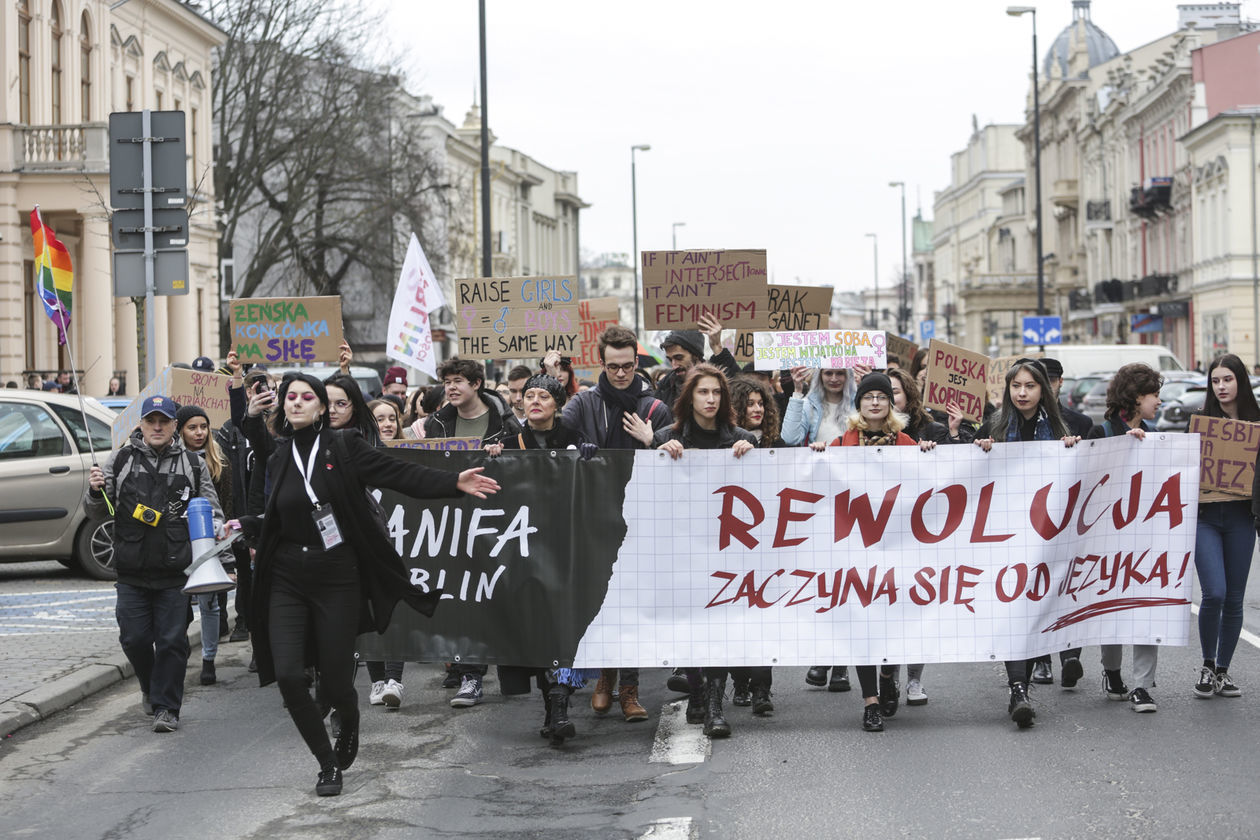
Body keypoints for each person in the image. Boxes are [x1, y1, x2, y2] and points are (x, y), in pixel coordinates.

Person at [237, 372, 499, 796]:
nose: (297, 402)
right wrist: (247, 524)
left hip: (337, 575)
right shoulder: (280, 456)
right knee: (287, 674)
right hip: (288, 576)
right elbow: (283, 515)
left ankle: (350, 713)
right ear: (283, 406)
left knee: (338, 682)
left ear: (322, 407)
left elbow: (398, 473)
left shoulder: (343, 447)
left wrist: (453, 482)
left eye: (307, 397)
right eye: (291, 397)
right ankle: (327, 764)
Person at [85, 395, 224, 733]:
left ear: (174, 425)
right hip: (131, 571)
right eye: (152, 421)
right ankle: (149, 686)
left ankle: (167, 708)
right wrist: (93, 491)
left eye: (164, 421)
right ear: (142, 424)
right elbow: (96, 510)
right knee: (133, 639)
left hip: (176, 573)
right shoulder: (119, 460)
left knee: (173, 643)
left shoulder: (193, 464)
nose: (158, 427)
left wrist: (221, 542)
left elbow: (212, 509)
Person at [810, 373, 937, 732]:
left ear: (891, 403)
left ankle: (887, 675)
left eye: (883, 396)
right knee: (861, 624)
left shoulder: (908, 443)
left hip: (898, 548)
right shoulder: (842, 444)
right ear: (859, 404)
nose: (876, 402)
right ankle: (870, 702)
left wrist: (928, 456)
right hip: (856, 550)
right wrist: (821, 456)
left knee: (893, 621)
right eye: (869, 397)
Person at [485, 374, 605, 743]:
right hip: (524, 550)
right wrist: (492, 461)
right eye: (528, 395)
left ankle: (559, 706)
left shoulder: (576, 441)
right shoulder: (504, 443)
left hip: (567, 551)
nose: (534, 401)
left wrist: (591, 461)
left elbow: (598, 487)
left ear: (557, 404)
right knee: (535, 628)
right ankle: (553, 706)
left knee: (563, 627)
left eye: (544, 396)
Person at [561, 325, 673, 718]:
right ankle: (605, 676)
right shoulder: (586, 402)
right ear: (602, 363)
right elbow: (555, 428)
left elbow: (679, 449)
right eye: (613, 366)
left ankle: (628, 687)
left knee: (634, 602)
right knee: (603, 600)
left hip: (643, 518)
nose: (621, 373)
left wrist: (652, 440)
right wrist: (576, 445)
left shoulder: (655, 406)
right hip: (595, 516)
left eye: (627, 366)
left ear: (637, 363)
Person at [974, 358, 1082, 728]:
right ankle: (1018, 687)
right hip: (1006, 534)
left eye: (1030, 386)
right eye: (1016, 386)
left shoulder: (1059, 427)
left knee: (1050, 599)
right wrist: (981, 448)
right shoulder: (995, 425)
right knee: (1013, 609)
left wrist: (1071, 449)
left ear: (1043, 390)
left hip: (1048, 535)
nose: (1022, 393)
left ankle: (1066, 655)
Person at [654, 364, 757, 738]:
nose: (710, 399)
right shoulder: (667, 436)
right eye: (703, 392)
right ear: (689, 397)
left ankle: (715, 705)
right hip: (681, 550)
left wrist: (753, 452)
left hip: (727, 552)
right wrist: (660, 452)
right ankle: (696, 690)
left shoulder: (741, 438)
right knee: (690, 626)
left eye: (716, 392)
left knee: (719, 628)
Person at [424, 358, 520, 705]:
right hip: (454, 521)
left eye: (458, 381)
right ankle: (470, 676)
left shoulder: (505, 421)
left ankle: (515, 668)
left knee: (499, 594)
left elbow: (526, 462)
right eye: (447, 381)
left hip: (498, 520)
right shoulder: (437, 424)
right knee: (465, 598)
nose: (451, 387)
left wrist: (503, 453)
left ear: (476, 384)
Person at [1083, 363, 1163, 712]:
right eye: (1154, 395)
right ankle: (1112, 673)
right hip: (1108, 538)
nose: (1159, 402)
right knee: (1111, 607)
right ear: (1136, 397)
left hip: (1146, 537)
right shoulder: (1100, 433)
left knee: (1147, 607)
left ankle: (1143, 685)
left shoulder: (1157, 437)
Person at [1194, 354, 1260, 699]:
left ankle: (1222, 670)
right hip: (1205, 519)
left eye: (1227, 380)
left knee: (1234, 598)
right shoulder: (1202, 424)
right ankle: (1206, 664)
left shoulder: (1257, 423)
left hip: (1240, 519)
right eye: (1215, 381)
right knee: (1215, 592)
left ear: (1240, 382)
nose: (1221, 387)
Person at [727, 376, 781, 715]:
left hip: (769, 543)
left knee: (764, 617)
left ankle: (762, 688)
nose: (757, 409)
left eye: (761, 403)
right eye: (749, 404)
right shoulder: (725, 444)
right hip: (733, 541)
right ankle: (740, 681)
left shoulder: (777, 443)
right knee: (735, 615)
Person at [176, 405, 236, 687]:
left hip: (209, 541)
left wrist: (225, 555)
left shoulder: (217, 461)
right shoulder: (174, 461)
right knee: (179, 606)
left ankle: (208, 659)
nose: (199, 433)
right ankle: (178, 648)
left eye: (203, 427)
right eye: (192, 427)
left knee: (209, 604)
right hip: (178, 543)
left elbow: (223, 507)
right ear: (180, 430)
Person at [654, 315, 741, 409]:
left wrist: (717, 346)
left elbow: (739, 389)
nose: (674, 366)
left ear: (696, 355)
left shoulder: (718, 377)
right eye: (670, 360)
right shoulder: (664, 388)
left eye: (679, 357)